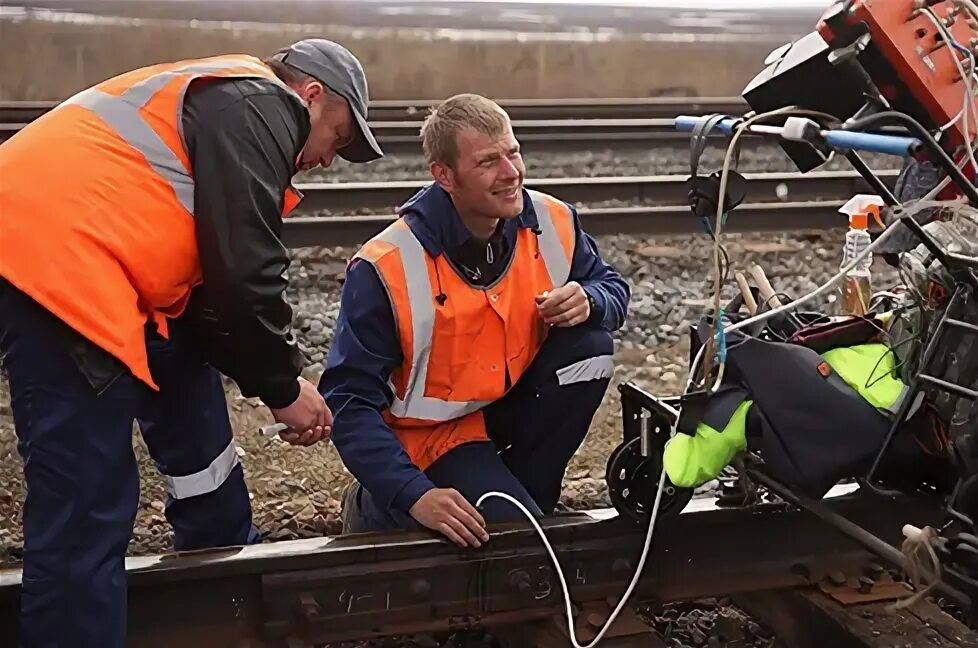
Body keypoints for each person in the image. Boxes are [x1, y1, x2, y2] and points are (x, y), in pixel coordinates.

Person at [0, 38, 383, 647]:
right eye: (338, 139)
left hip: (97, 263)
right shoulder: (261, 102)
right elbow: (244, 269)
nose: (330, 160)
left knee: (187, 374)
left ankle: (220, 556)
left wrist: (275, 380)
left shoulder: (225, 97)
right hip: (59, 263)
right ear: (311, 96)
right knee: (86, 505)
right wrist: (283, 389)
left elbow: (211, 299)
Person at [320, 93, 630, 548]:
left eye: (514, 152)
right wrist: (414, 494)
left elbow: (612, 288)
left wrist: (591, 298)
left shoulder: (552, 220)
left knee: (590, 347)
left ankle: (529, 497)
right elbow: (347, 402)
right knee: (510, 539)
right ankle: (373, 506)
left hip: (504, 408)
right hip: (431, 438)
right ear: (443, 175)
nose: (511, 173)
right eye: (488, 162)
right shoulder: (386, 266)